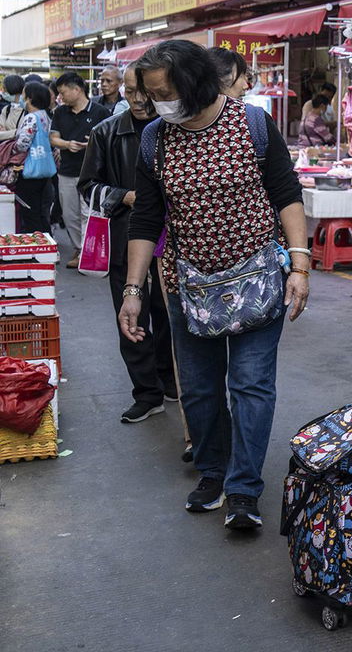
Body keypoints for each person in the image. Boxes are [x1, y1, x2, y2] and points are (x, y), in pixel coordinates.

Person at [120, 40, 309, 532]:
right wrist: (133, 291)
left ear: (194, 82)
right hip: (190, 288)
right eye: (150, 95)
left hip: (259, 281)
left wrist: (301, 266)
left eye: (162, 92)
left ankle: (244, 489)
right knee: (201, 391)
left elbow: (286, 195)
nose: (155, 103)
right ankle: (212, 472)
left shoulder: (252, 125)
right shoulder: (155, 140)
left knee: (249, 386)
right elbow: (146, 218)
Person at [78, 67, 178, 424]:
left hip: (173, 243)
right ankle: (146, 392)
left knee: (169, 315)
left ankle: (170, 381)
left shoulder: (174, 128)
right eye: (131, 92)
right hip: (125, 240)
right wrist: (127, 197)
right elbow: (87, 186)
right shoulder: (106, 132)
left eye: (144, 93)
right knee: (131, 314)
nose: (137, 100)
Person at [51, 71, 110, 267]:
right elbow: (53, 138)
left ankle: (88, 253)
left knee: (89, 214)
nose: (61, 97)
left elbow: (108, 140)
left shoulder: (100, 112)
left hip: (93, 173)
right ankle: (80, 249)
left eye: (63, 92)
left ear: (77, 90)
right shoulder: (59, 112)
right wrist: (67, 144)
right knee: (69, 215)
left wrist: (92, 145)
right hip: (67, 171)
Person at [10, 82, 55, 232]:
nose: (22, 99)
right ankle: (47, 244)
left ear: (30, 98)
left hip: (30, 170)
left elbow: (23, 144)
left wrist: (11, 148)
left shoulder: (31, 118)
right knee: (42, 211)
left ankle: (36, 247)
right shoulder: (45, 116)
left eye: (24, 95)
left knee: (30, 211)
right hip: (44, 169)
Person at [0, 74, 27, 140]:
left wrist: (6, 133)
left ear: (12, 88)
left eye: (4, 88)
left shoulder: (27, 110)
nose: (2, 91)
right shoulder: (6, 109)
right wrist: (15, 132)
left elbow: (24, 134)